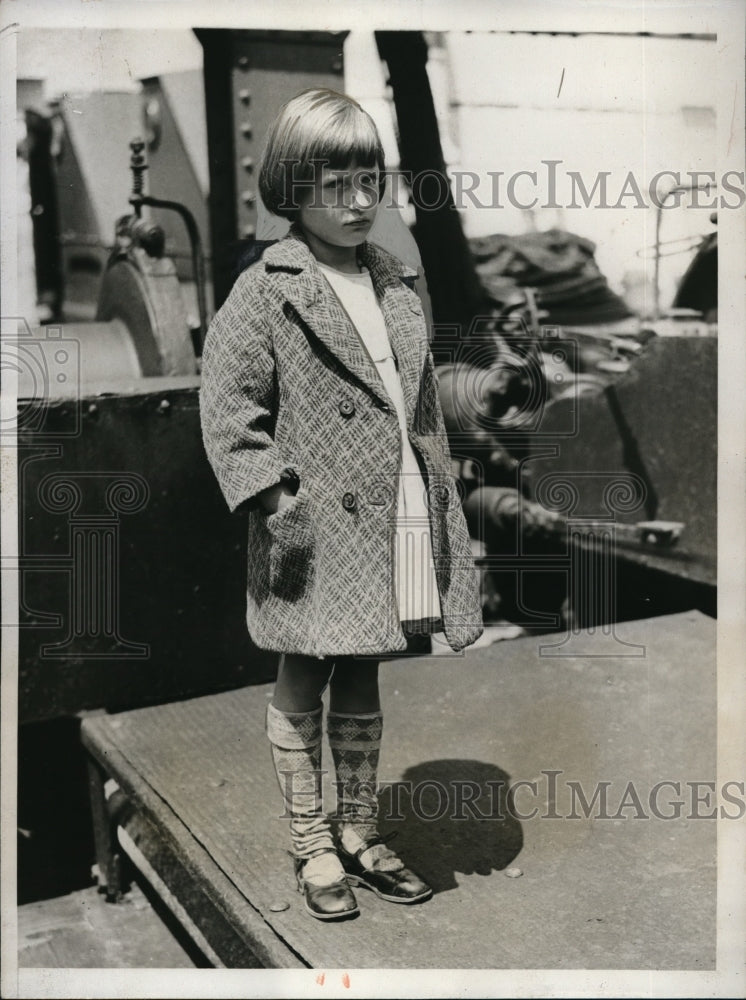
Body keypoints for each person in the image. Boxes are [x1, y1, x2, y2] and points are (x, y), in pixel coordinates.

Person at [200, 88, 483, 921]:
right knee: (306, 667)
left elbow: (413, 399)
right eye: (335, 184)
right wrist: (274, 495)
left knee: (365, 665)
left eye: (371, 180)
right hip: (317, 522)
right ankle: (310, 841)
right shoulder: (269, 289)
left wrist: (436, 489)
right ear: (293, 187)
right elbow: (226, 405)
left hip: (394, 505)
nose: (360, 202)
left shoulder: (394, 279)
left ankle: (357, 831)